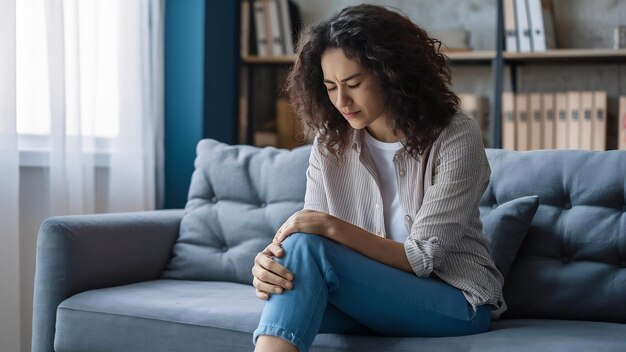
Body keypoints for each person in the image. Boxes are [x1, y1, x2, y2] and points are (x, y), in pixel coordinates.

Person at [251, 4, 505, 352]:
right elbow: (308, 243)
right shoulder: (330, 143)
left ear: (391, 73)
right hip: (371, 297)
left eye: (353, 83)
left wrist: (329, 227)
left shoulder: (455, 134)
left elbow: (423, 258)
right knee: (291, 274)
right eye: (330, 86)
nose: (342, 100)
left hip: (454, 301)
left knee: (305, 256)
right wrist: (272, 267)